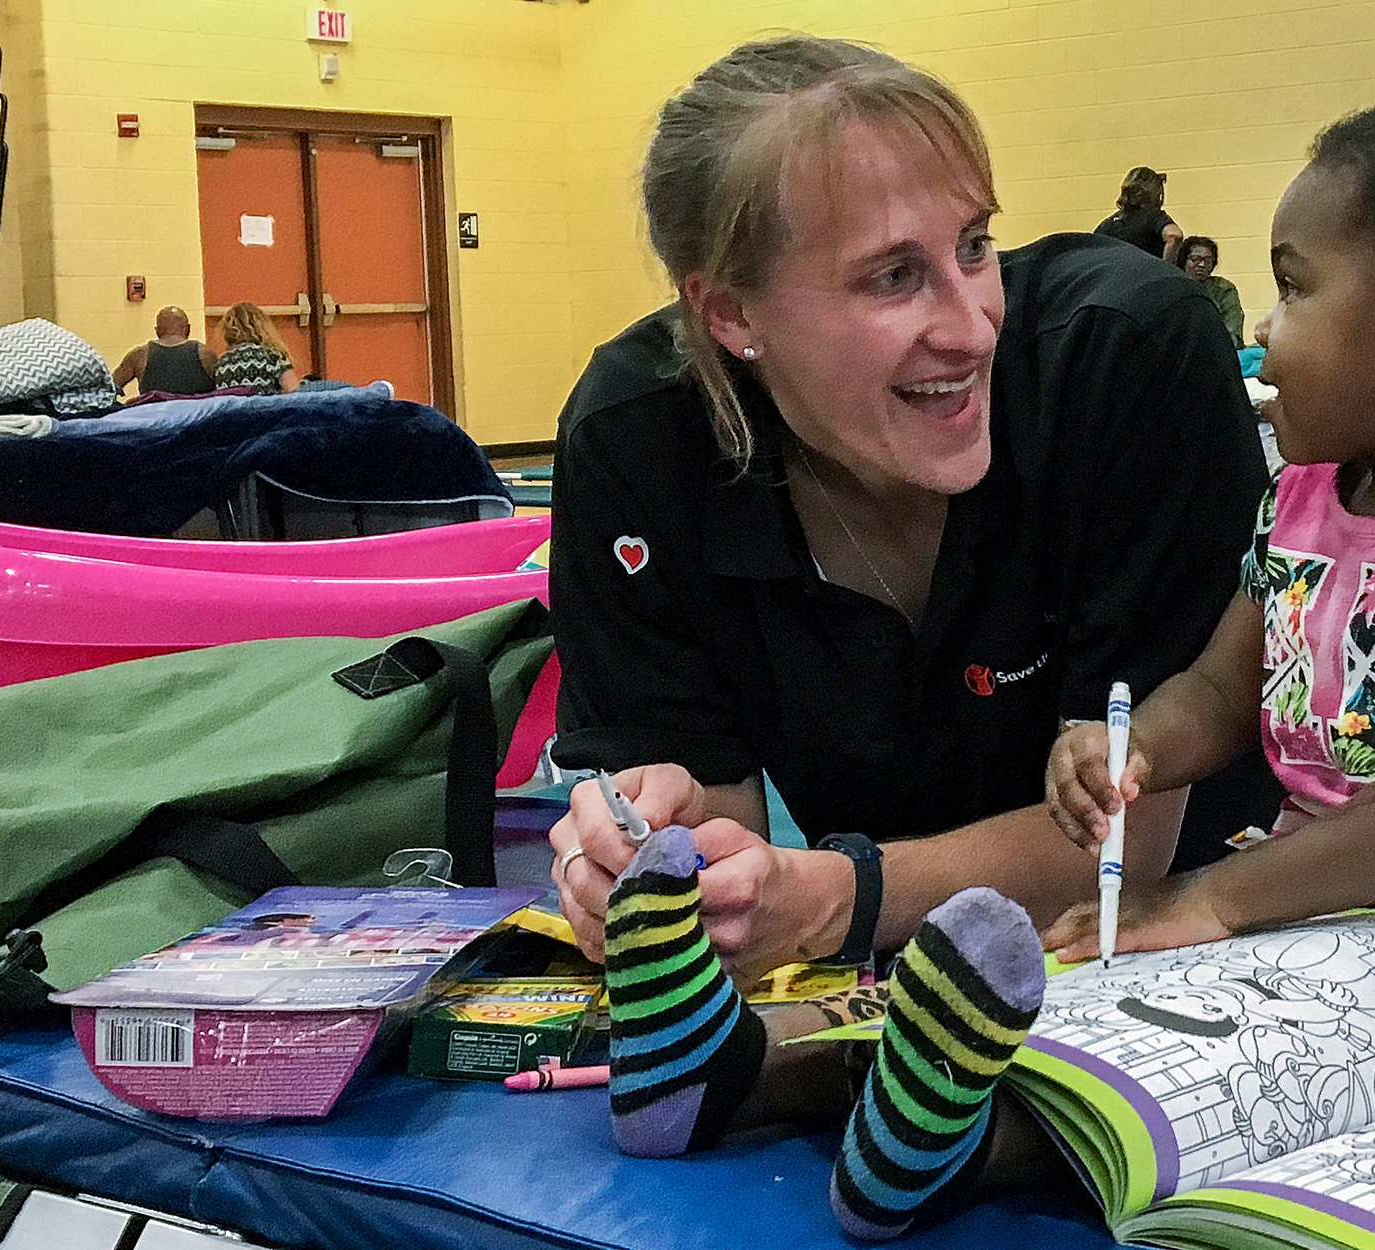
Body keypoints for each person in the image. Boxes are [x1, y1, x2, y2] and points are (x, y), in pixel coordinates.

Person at [591, 17, 1375, 1242]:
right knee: (1081, 985)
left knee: (1266, 1049)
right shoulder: (1304, 502)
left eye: (1297, 291)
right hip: (1317, 903)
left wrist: (1208, 897)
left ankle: (964, 1156)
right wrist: (1134, 746)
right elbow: (1218, 685)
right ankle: (733, 1074)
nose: (1263, 330)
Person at [547, 33, 1278, 996]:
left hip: (1217, 930)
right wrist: (656, 866)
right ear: (731, 315)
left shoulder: (1123, 358)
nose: (974, 326)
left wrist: (831, 898)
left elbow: (1127, 843)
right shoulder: (635, 440)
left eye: (975, 246)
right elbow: (715, 837)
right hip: (899, 973)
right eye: (893, 276)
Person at [111, 306, 215, 396]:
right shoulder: (205, 354)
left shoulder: (139, 355)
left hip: (155, 417)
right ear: (188, 328)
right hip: (197, 417)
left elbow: (109, 388)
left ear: (157, 331)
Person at [1093, 165, 1180, 260]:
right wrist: (1167, 267)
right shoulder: (1153, 217)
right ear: (1155, 193)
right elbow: (1174, 235)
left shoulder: (1108, 224)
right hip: (1147, 272)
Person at [211, 301, 299, 394]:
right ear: (261, 327)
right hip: (267, 407)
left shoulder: (221, 363)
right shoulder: (273, 356)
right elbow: (292, 390)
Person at [1176, 235, 1248, 346]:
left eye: (1207, 260)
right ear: (1184, 260)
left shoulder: (1224, 289)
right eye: (1195, 259)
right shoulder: (1173, 287)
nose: (1201, 265)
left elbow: (1233, 332)